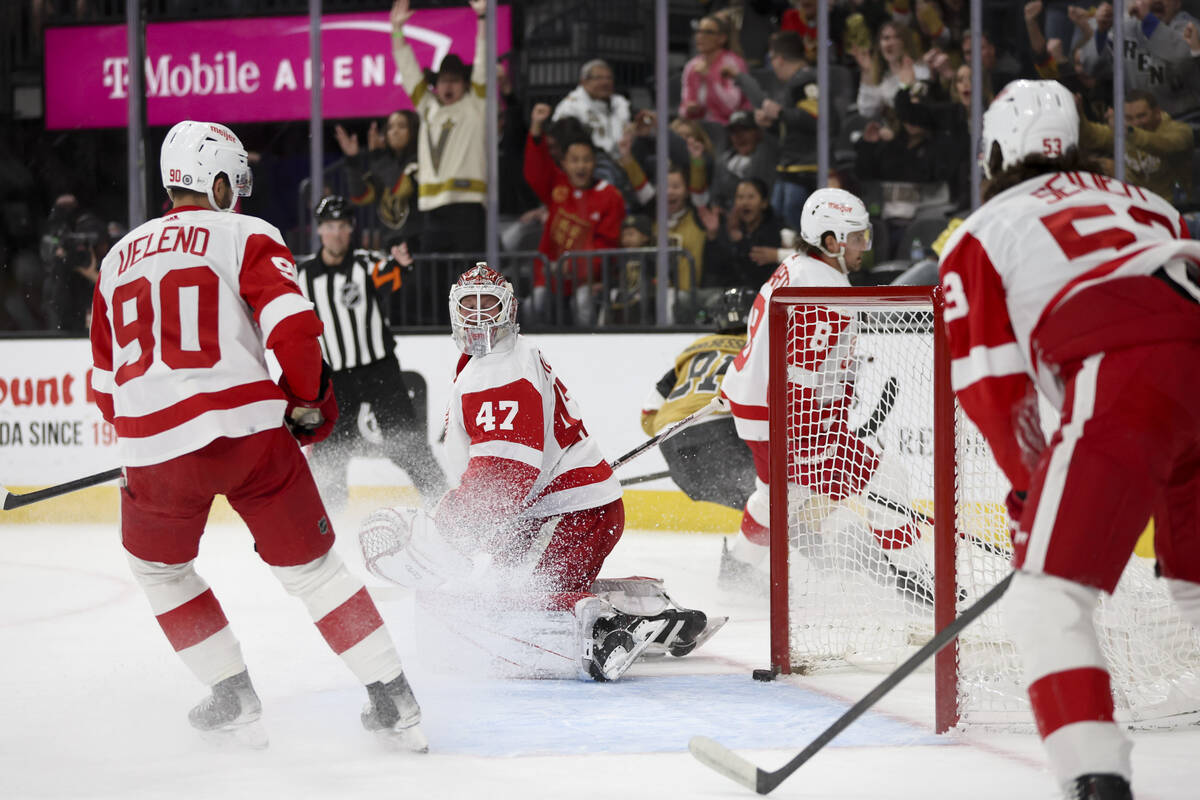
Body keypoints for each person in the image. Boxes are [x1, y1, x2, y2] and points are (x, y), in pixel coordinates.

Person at [88, 120, 426, 751]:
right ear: (211, 179)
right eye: (231, 180)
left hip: (156, 452)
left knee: (160, 572)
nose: (236, 194)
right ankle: (393, 697)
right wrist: (307, 402)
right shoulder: (245, 234)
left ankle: (231, 692)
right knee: (316, 572)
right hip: (249, 435)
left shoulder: (113, 260)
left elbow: (105, 387)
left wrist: (143, 441)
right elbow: (296, 331)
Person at [938, 79, 1200, 800]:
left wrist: (1028, 486)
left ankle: (1095, 778)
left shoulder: (983, 231)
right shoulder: (1148, 202)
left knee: (1050, 594)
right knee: (1195, 582)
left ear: (995, 149)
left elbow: (992, 382)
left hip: (1130, 377)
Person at [358, 264, 724, 680]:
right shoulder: (503, 357)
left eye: (488, 305)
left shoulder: (497, 372)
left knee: (512, 604)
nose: (478, 316)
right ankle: (649, 607)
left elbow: (504, 475)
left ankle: (607, 631)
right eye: (469, 305)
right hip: (560, 511)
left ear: (509, 310)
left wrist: (448, 529)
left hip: (566, 514)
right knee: (493, 590)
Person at [717, 188, 933, 602]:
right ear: (830, 241)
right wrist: (817, 439)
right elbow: (798, 377)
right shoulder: (822, 289)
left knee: (784, 494)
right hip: (788, 419)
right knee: (888, 479)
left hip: (759, 408)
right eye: (855, 238)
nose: (863, 246)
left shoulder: (798, 267)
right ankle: (914, 579)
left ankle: (739, 568)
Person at [294, 195, 447, 513]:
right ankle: (332, 522)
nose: (336, 234)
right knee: (329, 453)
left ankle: (446, 507)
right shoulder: (304, 276)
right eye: (330, 226)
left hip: (379, 372)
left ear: (351, 230)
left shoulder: (366, 265)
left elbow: (392, 272)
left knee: (409, 446)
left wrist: (403, 264)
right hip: (336, 379)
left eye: (342, 227)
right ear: (320, 231)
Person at [640, 287, 757, 510]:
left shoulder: (695, 350)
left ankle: (753, 542)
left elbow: (648, 414)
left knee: (747, 500)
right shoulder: (758, 346)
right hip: (721, 431)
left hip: (669, 439)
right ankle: (791, 540)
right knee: (767, 494)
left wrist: (683, 435)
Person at [390, 0, 489, 253]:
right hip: (432, 208)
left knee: (472, 281)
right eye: (443, 81)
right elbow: (408, 69)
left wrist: (483, 19)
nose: (448, 87)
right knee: (433, 279)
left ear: (465, 84)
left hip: (468, 205)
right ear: (436, 84)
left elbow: (483, 62)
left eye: (455, 81)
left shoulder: (475, 104)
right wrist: (397, 30)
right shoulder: (428, 107)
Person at [524, 103, 625, 326]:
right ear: (564, 163)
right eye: (575, 160)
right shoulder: (557, 185)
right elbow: (535, 170)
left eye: (586, 160)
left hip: (588, 280)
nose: (581, 166)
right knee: (534, 304)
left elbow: (607, 245)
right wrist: (536, 128)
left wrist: (575, 266)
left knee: (583, 302)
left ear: (594, 163)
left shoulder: (610, 196)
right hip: (551, 277)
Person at [1078, 89, 1195, 202]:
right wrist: (1078, 114)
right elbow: (1091, 136)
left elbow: (1164, 144)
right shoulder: (1123, 132)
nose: (1136, 123)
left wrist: (1128, 131)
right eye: (1129, 118)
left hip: (1175, 205)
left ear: (1157, 113)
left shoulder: (1180, 131)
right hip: (1137, 203)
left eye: (1141, 116)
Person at [334, 109, 421, 241]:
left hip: (418, 243)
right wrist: (352, 161)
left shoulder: (420, 162)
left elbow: (399, 189)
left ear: (414, 131)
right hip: (389, 244)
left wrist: (377, 156)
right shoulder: (383, 163)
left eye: (402, 126)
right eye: (390, 127)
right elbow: (360, 196)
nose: (395, 132)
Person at [551, 59, 632, 160]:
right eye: (598, 78)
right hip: (589, 165)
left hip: (623, 161)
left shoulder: (620, 104)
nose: (605, 82)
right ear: (583, 82)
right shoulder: (570, 107)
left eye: (609, 78)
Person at [680, 14, 751, 125]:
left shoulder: (733, 63)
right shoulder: (691, 66)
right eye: (698, 31)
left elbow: (731, 107)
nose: (700, 36)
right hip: (699, 125)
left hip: (731, 126)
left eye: (708, 32)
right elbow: (684, 108)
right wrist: (689, 109)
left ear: (722, 38)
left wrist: (709, 78)